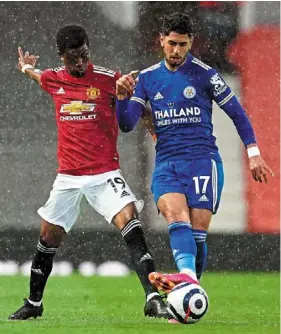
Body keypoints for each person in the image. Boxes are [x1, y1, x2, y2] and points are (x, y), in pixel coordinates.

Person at [8, 25, 170, 320]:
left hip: (105, 172)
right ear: (62, 57)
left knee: (130, 222)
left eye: (84, 55)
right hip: (68, 177)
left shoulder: (110, 79)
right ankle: (34, 304)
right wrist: (26, 68)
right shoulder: (53, 79)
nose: (80, 62)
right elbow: (38, 76)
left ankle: (152, 298)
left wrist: (132, 107)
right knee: (48, 238)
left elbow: (131, 117)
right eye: (73, 58)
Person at [115, 13, 274, 294]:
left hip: (202, 162)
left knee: (198, 235)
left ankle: (187, 293)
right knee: (177, 218)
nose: (177, 51)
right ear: (161, 40)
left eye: (183, 45)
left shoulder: (205, 75)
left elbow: (238, 115)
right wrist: (122, 97)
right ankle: (188, 279)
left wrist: (254, 153)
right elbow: (127, 124)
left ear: (191, 43)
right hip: (167, 163)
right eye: (172, 44)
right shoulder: (147, 78)